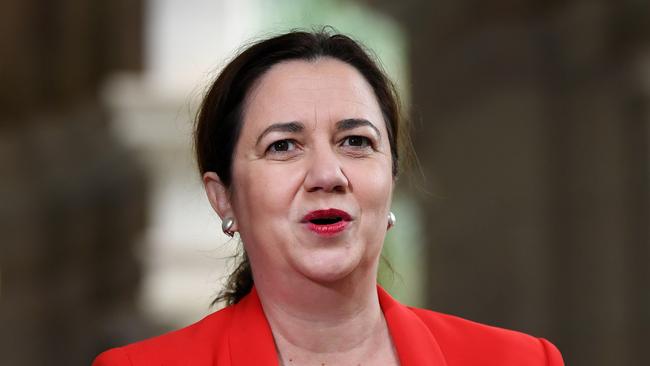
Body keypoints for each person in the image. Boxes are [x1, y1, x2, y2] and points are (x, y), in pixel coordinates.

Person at [93, 29, 564, 366]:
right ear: (223, 198)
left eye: (356, 142)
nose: (327, 174)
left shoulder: (520, 360)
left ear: (391, 177)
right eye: (283, 146)